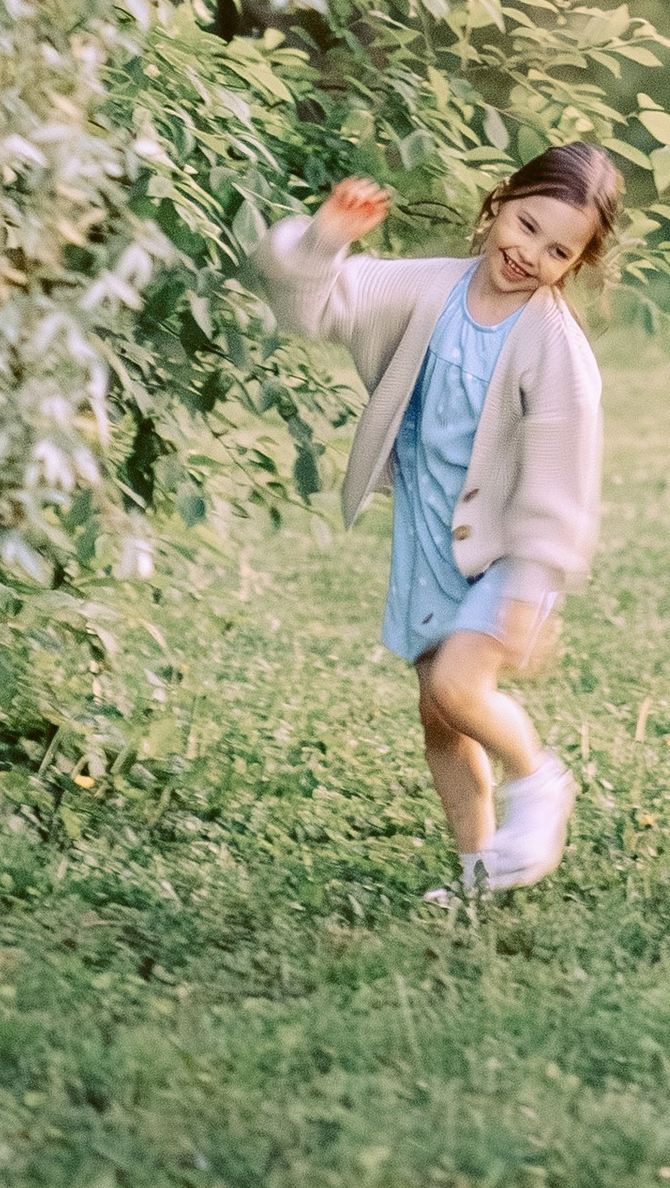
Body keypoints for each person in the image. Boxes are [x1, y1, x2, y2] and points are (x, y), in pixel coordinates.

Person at [255, 141, 621, 902]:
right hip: (431, 538)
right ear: (498, 205)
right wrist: (326, 240)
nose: (529, 254)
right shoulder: (428, 288)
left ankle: (541, 779)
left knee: (461, 686)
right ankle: (476, 873)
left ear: (577, 264)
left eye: (559, 250)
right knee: (440, 720)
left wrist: (530, 588)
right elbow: (310, 301)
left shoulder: (557, 352)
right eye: (524, 226)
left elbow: (562, 484)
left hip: (512, 556)